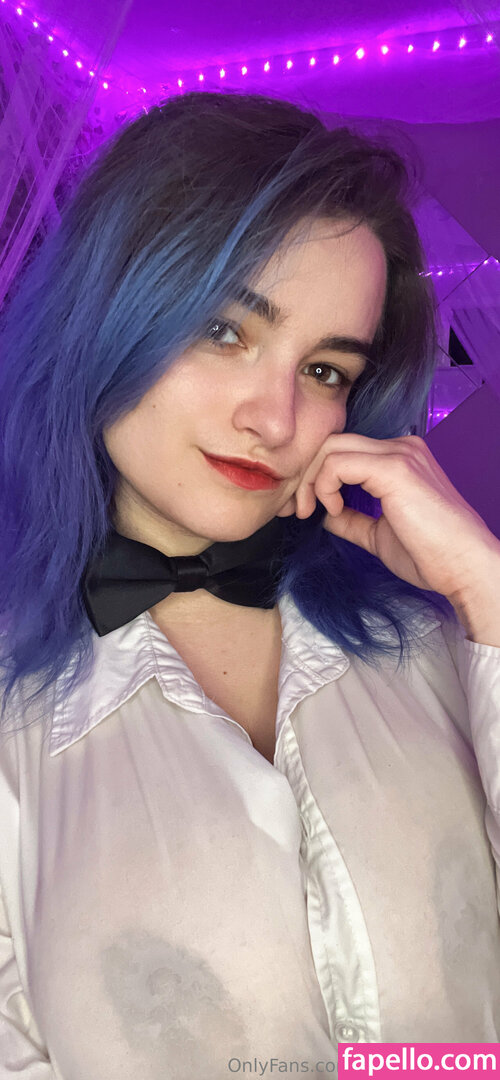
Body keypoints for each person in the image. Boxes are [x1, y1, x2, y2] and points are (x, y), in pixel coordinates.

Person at [0, 90, 499, 1079]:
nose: (274, 419)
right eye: (224, 332)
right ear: (109, 311)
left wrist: (488, 593)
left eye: (324, 370)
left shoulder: (442, 645)